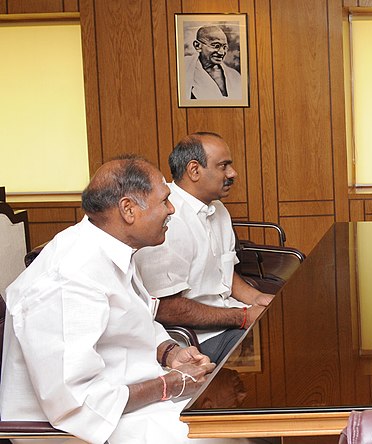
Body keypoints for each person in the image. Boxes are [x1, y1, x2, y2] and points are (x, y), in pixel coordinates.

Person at [0, 157, 220, 443]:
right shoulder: (70, 277)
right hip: (78, 428)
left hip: (128, 402)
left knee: (228, 423)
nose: (172, 209)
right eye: (164, 200)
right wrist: (168, 386)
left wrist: (170, 353)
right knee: (218, 436)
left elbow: (135, 319)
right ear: (128, 209)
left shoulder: (112, 249)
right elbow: (78, 401)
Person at [134, 132, 273, 363]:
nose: (232, 174)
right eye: (224, 166)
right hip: (199, 338)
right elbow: (166, 308)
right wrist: (243, 317)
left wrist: (256, 297)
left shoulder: (218, 209)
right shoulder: (167, 217)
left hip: (232, 315)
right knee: (281, 351)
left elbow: (225, 271)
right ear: (194, 170)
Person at [184, 25, 242, 100]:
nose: (221, 52)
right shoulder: (185, 68)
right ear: (197, 46)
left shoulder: (234, 76)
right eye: (216, 46)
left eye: (224, 47)